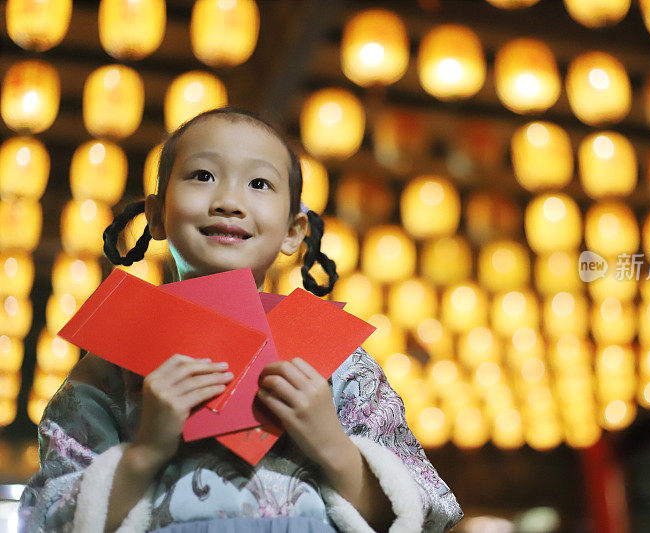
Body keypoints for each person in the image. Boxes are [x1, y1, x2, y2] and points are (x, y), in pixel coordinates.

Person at [18, 106, 464, 533]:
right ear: (154, 215)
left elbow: (425, 512)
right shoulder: (110, 366)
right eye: (202, 176)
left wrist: (333, 446)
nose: (230, 201)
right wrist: (145, 451)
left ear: (294, 231)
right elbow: (45, 516)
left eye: (259, 184)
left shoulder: (342, 361)